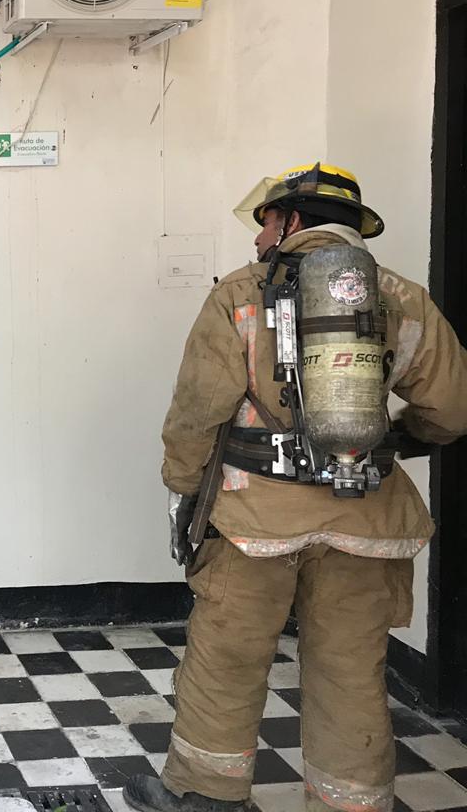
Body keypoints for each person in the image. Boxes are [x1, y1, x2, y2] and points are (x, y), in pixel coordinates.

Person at [126, 164, 467, 812]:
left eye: (265, 225)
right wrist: (396, 436)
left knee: (228, 658)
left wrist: (181, 488)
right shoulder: (402, 298)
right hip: (367, 522)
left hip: (254, 519)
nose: (260, 241)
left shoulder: (241, 296)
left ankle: (206, 796)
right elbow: (453, 410)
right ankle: (350, 803)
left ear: (289, 221)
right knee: (351, 675)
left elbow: (199, 411)